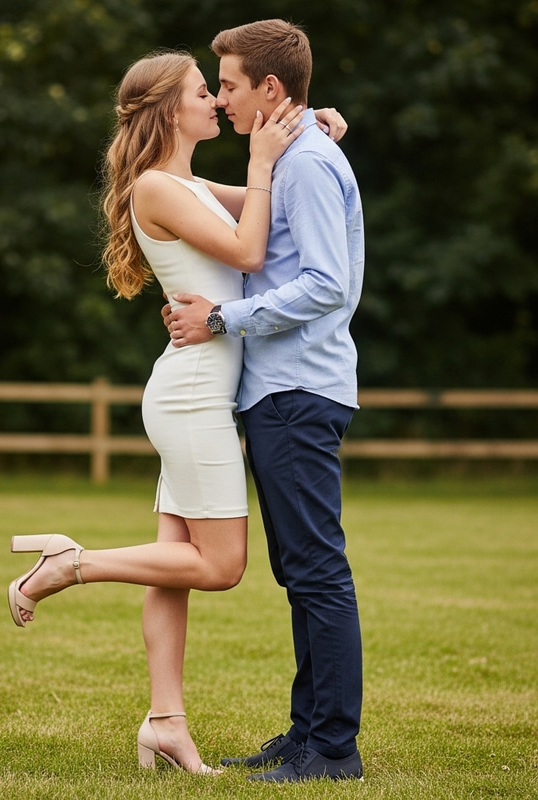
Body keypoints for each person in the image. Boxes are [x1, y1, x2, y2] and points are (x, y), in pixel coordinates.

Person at [6, 49, 347, 777]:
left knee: (171, 568)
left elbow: (276, 203)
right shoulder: (157, 187)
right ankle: (71, 564)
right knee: (220, 566)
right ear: (168, 109)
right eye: (203, 91)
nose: (216, 101)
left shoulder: (188, 184)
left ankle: (165, 723)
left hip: (195, 390)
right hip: (193, 395)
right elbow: (250, 250)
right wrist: (261, 160)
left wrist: (310, 127)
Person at [164, 20, 365, 783]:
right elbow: (238, 211)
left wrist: (222, 318)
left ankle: (333, 748)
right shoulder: (293, 154)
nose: (221, 98)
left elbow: (325, 284)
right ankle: (308, 733)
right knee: (301, 571)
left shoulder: (306, 162)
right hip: (283, 391)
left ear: (270, 88)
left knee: (316, 571)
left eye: (230, 85)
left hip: (297, 389)